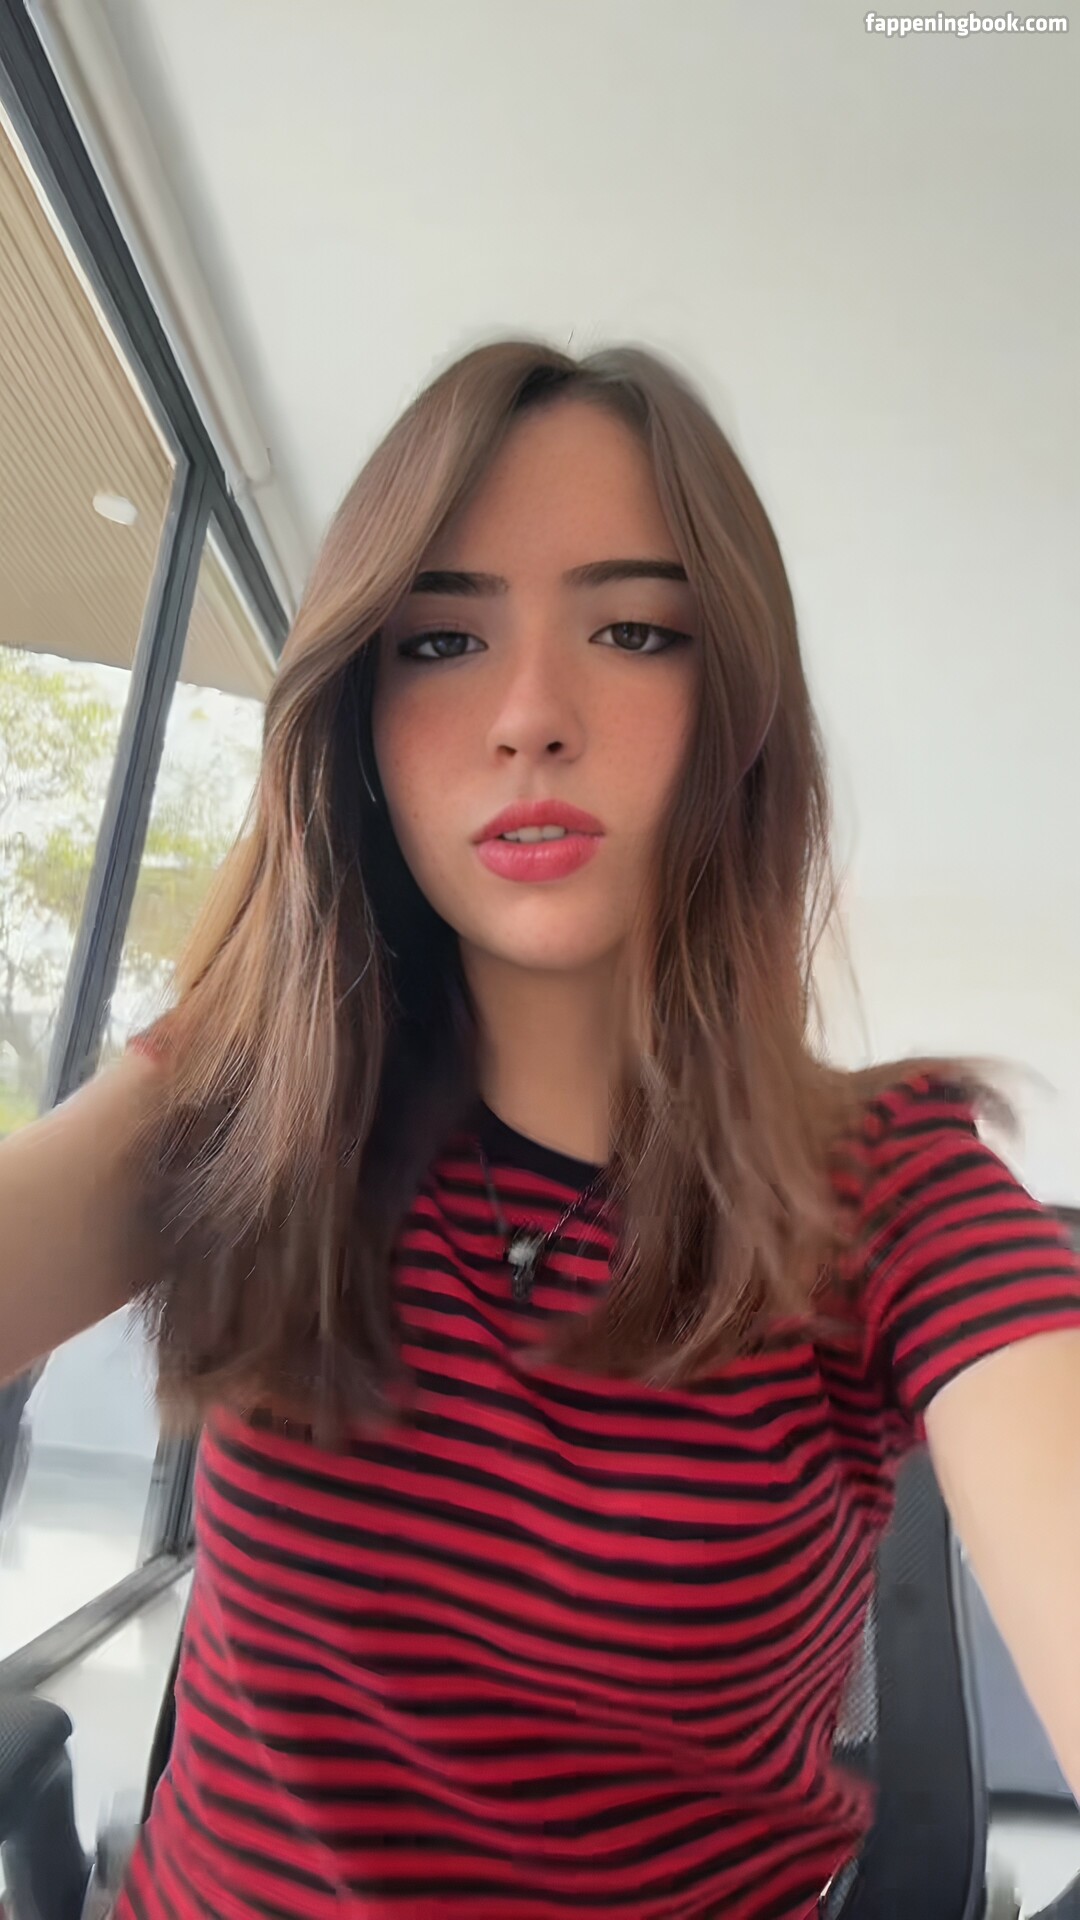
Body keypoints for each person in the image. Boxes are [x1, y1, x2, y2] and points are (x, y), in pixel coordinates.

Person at [2, 340, 1079, 1920]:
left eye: (633, 632)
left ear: (738, 713)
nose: (528, 718)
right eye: (441, 640)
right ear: (359, 724)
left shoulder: (895, 1191)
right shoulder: (252, 1099)